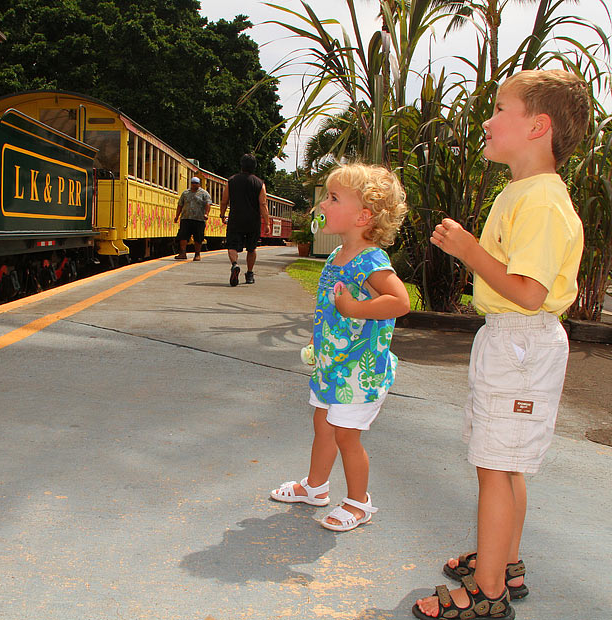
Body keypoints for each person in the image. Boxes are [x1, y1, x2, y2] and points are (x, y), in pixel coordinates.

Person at [412, 69, 590, 620]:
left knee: (495, 465)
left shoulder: (539, 201)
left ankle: (487, 594)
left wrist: (468, 251)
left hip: (520, 342)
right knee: (505, 463)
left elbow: (530, 292)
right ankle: (504, 562)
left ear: (538, 126)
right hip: (512, 343)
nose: (487, 120)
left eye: (499, 109)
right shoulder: (524, 191)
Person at [270, 163, 410, 533]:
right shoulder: (336, 256)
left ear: (364, 215)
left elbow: (400, 301)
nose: (323, 205)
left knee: (347, 435)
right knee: (324, 424)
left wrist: (355, 308)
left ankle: (359, 502)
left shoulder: (372, 261)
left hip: (359, 370)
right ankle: (315, 487)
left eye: (333, 198)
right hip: (332, 365)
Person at [219, 154, 271, 285]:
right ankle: (249, 274)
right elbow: (263, 204)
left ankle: (235, 265)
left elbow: (224, 201)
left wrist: (222, 214)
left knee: (232, 246)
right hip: (253, 221)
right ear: (254, 167)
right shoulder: (260, 184)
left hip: (235, 219)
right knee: (252, 248)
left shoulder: (231, 181)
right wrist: (267, 223)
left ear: (241, 165)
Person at [173, 177, 211, 261]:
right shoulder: (185, 193)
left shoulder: (204, 194)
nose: (194, 185)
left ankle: (197, 254)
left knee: (198, 237)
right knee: (183, 236)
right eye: (193, 183)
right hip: (186, 218)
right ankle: (182, 253)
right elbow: (180, 205)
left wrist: (206, 214)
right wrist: (177, 216)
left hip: (199, 219)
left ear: (199, 184)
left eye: (196, 183)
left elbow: (208, 204)